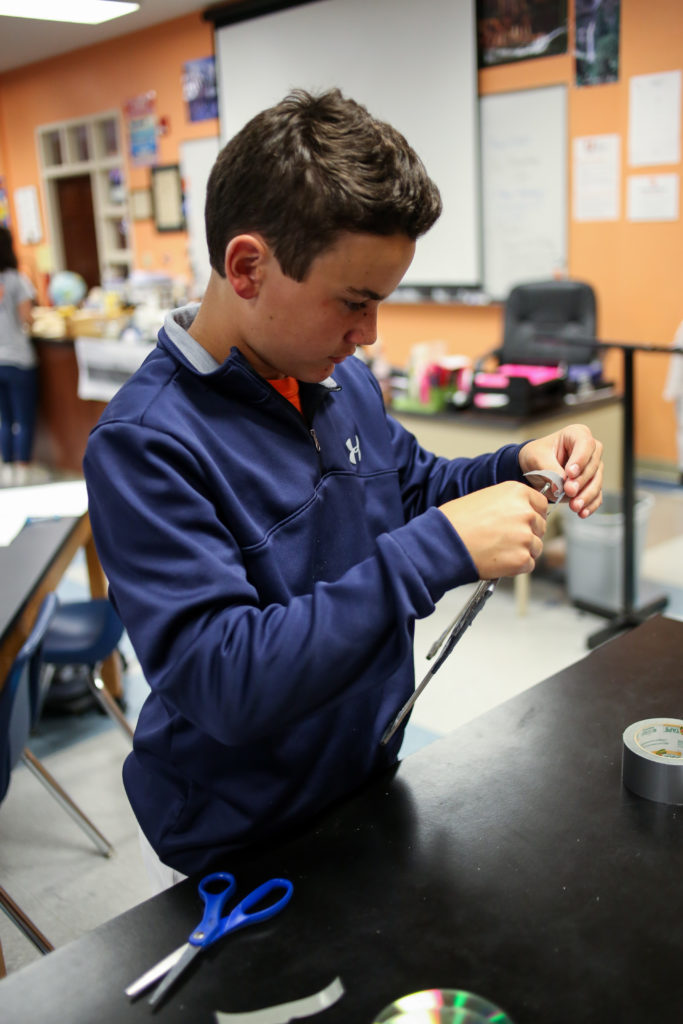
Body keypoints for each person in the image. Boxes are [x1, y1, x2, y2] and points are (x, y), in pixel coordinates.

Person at [83, 89, 603, 887]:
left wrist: (515, 463)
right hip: (243, 829)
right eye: (352, 303)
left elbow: (411, 485)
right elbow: (225, 681)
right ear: (247, 267)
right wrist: (433, 554)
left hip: (361, 774)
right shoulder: (144, 444)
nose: (368, 336)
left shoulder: (330, 377)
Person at [0, 226, 37, 485]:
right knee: (23, 419)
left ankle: (7, 467)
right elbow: (27, 318)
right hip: (18, 359)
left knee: (4, 418)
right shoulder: (15, 280)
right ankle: (23, 472)